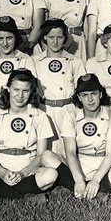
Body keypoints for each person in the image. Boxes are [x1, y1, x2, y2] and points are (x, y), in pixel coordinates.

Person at [0, 69, 58, 200]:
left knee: (51, 174)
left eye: (25, 91)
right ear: (8, 88)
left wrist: (22, 173)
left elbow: (41, 156)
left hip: (28, 170)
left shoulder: (40, 116)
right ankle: (25, 197)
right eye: (16, 89)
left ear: (31, 91)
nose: (20, 95)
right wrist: (2, 173)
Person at [42, 74, 111, 200]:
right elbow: (70, 152)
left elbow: (110, 154)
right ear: (79, 97)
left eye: (93, 93)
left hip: (102, 165)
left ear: (100, 94)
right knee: (47, 156)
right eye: (84, 95)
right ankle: (91, 191)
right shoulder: (71, 115)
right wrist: (79, 179)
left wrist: (96, 180)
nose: (90, 99)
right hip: (77, 165)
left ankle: (79, 189)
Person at [32, 18, 86, 155]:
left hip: (68, 111)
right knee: (46, 154)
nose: (55, 42)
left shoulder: (75, 61)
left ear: (65, 38)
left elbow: (82, 91)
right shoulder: (34, 61)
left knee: (69, 153)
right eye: (51, 37)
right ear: (44, 37)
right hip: (45, 111)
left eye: (59, 37)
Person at [0, 16, 36, 119]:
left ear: (16, 38)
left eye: (9, 38)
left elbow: (32, 93)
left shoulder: (26, 60)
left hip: (20, 115)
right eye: (0, 38)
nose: (5, 43)